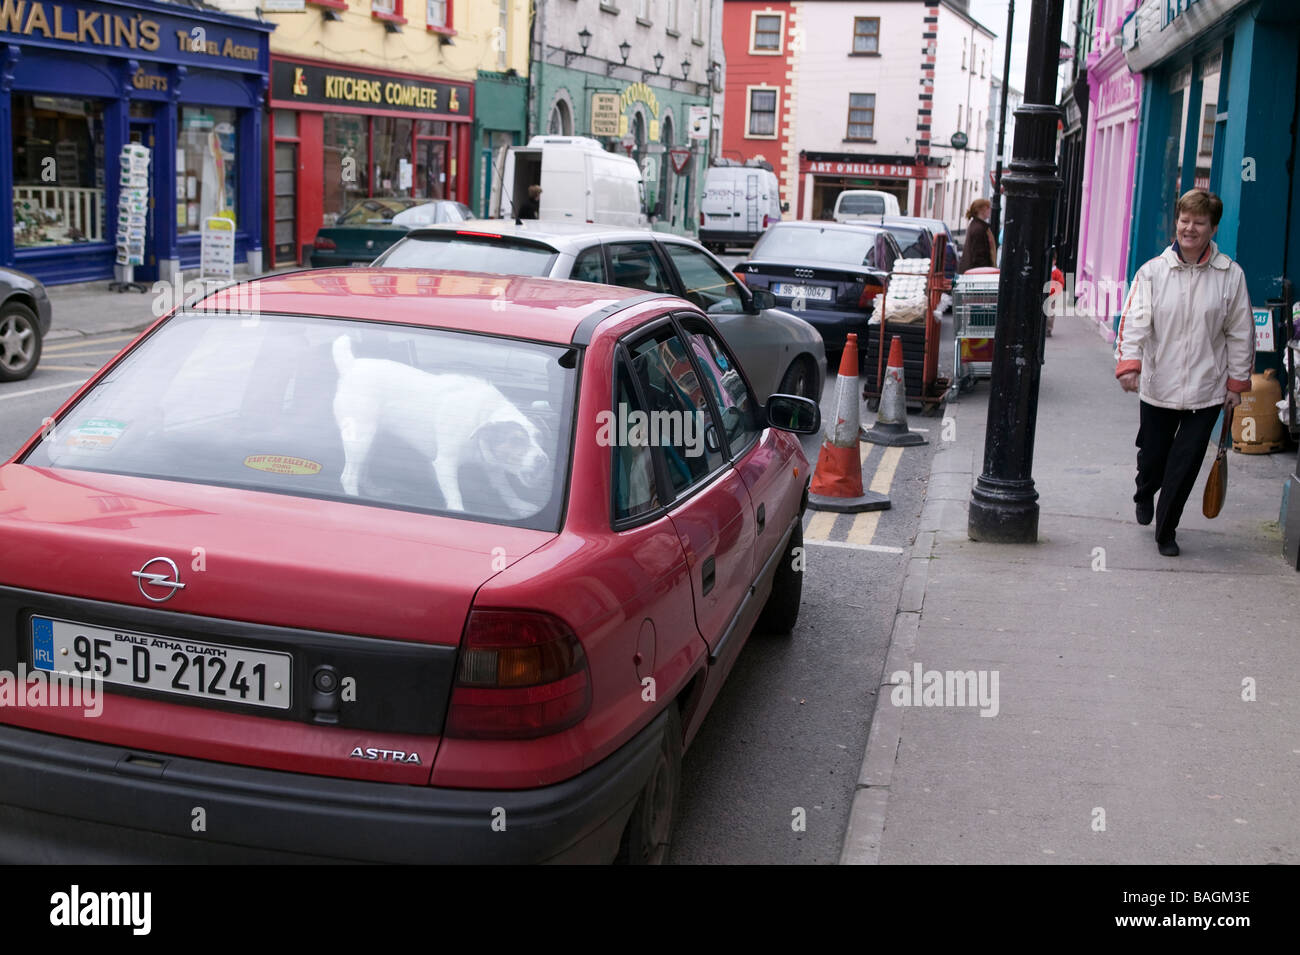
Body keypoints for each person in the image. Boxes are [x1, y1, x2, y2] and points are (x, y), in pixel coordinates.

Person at [1115, 188, 1255, 557]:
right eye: (1184, 220)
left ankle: (1167, 529)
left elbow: (1240, 333)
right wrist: (1130, 364)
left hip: (1206, 389)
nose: (1189, 228)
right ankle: (1144, 490)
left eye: (1199, 222)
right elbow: (1134, 324)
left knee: (1187, 461)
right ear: (1176, 222)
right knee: (1153, 456)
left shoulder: (1230, 276)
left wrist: (1236, 384)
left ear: (1212, 228)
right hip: (1158, 384)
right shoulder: (1153, 272)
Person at [957, 198, 997, 273]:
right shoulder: (978, 229)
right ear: (981, 210)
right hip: (975, 273)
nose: (990, 210)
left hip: (973, 271)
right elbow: (979, 255)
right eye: (987, 208)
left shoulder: (978, 226)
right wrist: (985, 272)